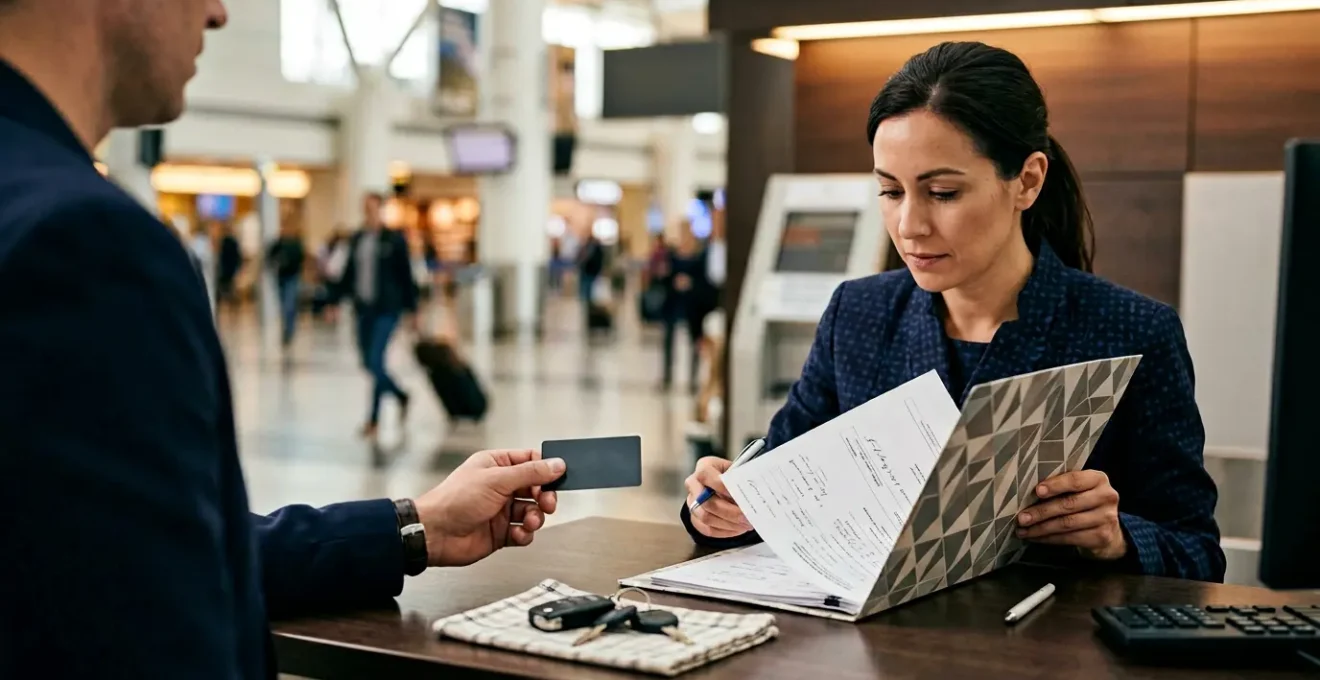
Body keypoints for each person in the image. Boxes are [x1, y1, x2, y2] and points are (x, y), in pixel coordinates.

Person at [0, 1, 566, 676]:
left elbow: (125, 553)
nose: (217, 12)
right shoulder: (81, 242)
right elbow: (155, 627)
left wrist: (417, 525)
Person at [681, 41, 1225, 583]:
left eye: (942, 192)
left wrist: (1117, 536)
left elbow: (1198, 553)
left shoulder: (1129, 330)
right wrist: (722, 507)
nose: (910, 225)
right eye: (890, 192)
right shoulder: (860, 315)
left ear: (1028, 181)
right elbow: (776, 494)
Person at [327, 193, 420, 440]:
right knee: (368, 363)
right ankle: (400, 395)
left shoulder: (394, 240)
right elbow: (347, 274)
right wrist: (334, 301)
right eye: (365, 208)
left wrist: (413, 310)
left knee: (376, 362)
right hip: (363, 310)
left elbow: (406, 276)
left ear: (381, 210)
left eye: (373, 208)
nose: (369, 213)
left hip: (387, 310)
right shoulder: (357, 239)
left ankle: (373, 420)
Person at [659, 224, 717, 392]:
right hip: (673, 303)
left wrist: (690, 283)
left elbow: (703, 281)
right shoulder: (672, 256)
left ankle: (692, 378)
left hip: (692, 306)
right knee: (669, 340)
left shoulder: (698, 257)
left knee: (694, 342)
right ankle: (667, 376)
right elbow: (664, 278)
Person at [267, 220, 306, 347]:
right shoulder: (279, 243)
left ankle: (289, 329)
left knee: (289, 303)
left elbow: (301, 258)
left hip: (292, 277)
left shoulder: (296, 243)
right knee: (284, 304)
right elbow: (269, 256)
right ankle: (286, 327)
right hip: (281, 277)